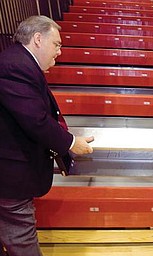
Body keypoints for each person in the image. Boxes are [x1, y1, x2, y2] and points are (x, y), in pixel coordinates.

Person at [0, 15, 94, 256]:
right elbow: (35, 119)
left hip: (11, 171)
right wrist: (71, 142)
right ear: (38, 39)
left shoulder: (18, 62)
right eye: (57, 44)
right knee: (22, 240)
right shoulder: (15, 66)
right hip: (11, 176)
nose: (59, 52)